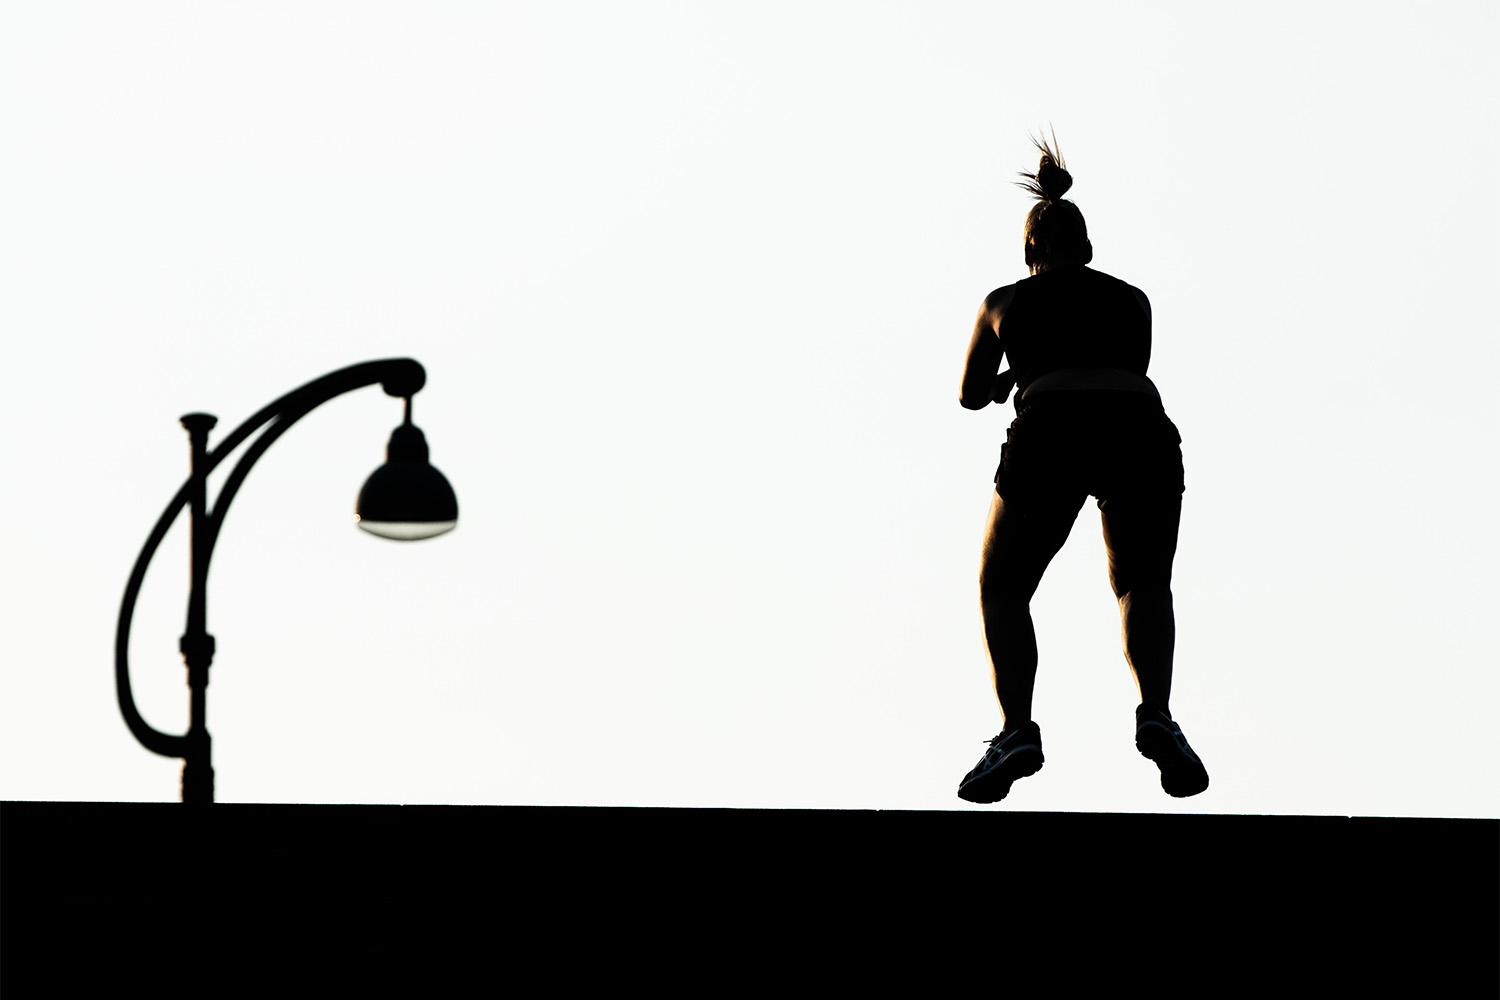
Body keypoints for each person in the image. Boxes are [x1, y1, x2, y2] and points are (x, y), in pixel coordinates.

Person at [955, 135, 1209, 803]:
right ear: (1088, 249)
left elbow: (970, 393)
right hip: (1139, 427)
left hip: (1052, 428)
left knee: (1002, 586)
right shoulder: (1132, 300)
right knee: (1141, 584)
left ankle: (1016, 731)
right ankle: (1158, 713)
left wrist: (1008, 377)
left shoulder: (1004, 302)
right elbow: (1124, 365)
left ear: (1029, 252)